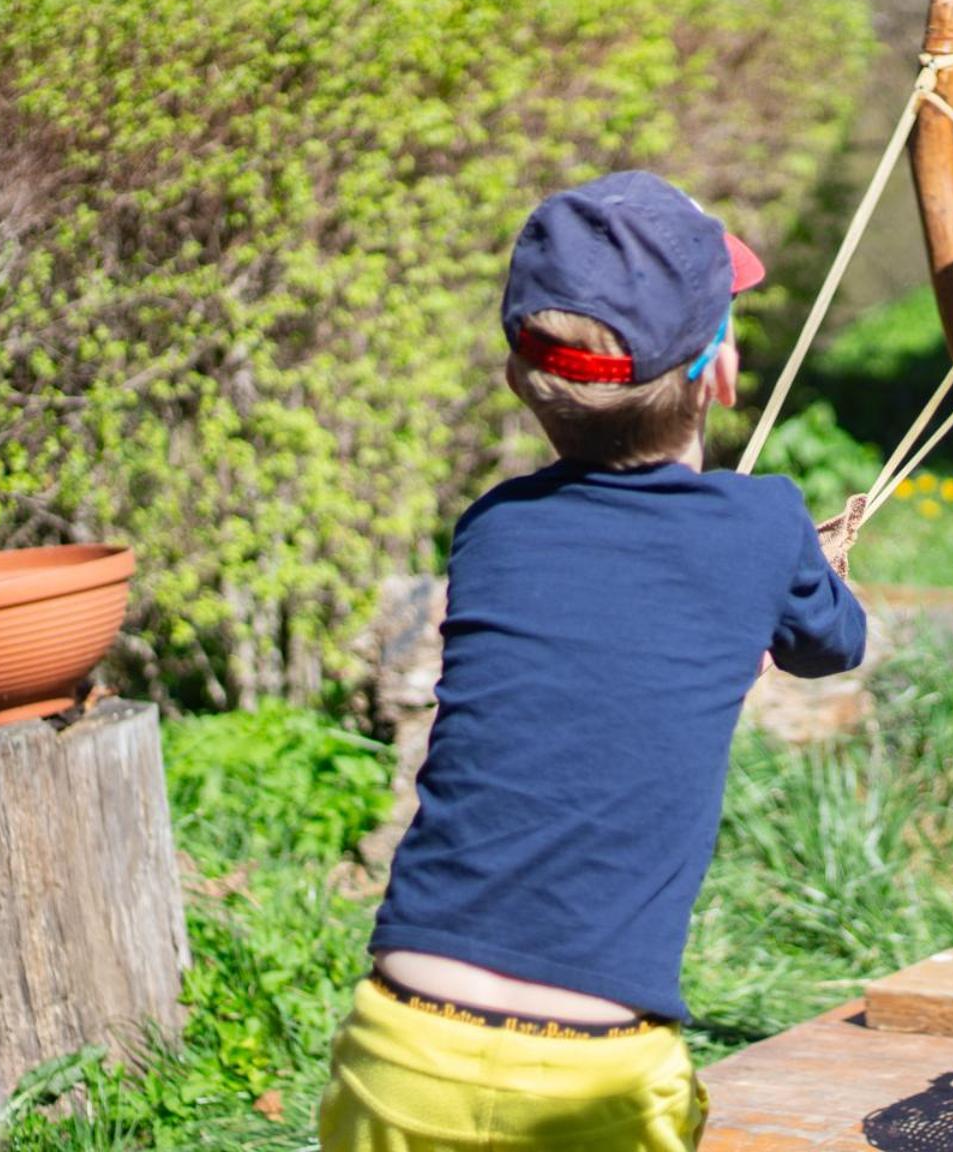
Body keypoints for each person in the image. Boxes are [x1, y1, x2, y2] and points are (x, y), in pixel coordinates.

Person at [317, 170, 868, 1151]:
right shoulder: (763, 524)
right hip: (591, 1067)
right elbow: (832, 645)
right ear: (723, 372)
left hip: (397, 1039)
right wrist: (808, 572)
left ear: (523, 378)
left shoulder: (492, 530)